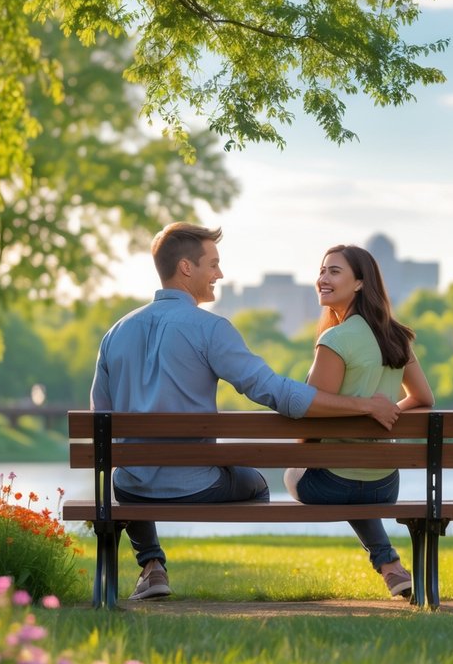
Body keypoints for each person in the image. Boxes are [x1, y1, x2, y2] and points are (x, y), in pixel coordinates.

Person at [91, 223, 400, 601]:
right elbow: (271, 390)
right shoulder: (211, 329)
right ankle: (388, 562)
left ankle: (152, 565)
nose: (219, 274)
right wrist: (363, 405)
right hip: (197, 488)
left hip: (130, 489)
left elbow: (99, 418)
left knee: (131, 477)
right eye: (213, 264)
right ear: (186, 268)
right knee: (254, 481)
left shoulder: (115, 333)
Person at [284, 244, 434, 599]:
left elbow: (312, 410)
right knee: (353, 481)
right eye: (322, 271)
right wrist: (382, 409)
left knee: (293, 473)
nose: (323, 278)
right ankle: (390, 566)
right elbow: (425, 399)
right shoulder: (396, 336)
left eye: (334, 272)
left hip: (332, 483)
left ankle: (390, 564)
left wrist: (372, 407)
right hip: (385, 483)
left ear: (360, 283)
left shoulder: (335, 339)